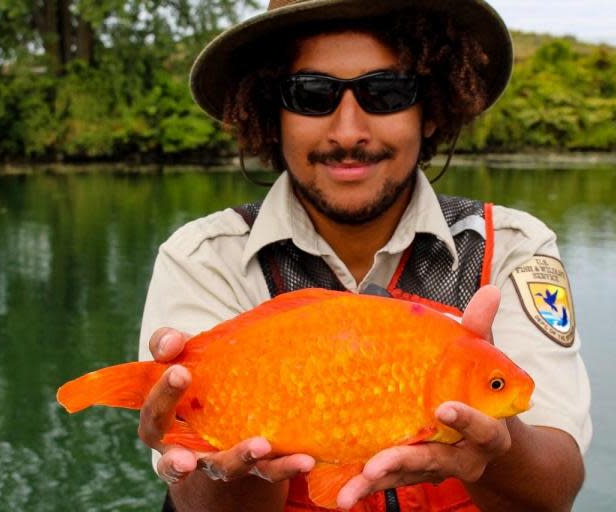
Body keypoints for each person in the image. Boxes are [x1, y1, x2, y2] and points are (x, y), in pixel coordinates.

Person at [136, 0, 592, 510]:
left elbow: (555, 491)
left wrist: (497, 446)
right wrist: (232, 466)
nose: (348, 131)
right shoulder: (202, 259)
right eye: (311, 95)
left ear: (432, 108)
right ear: (271, 112)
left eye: (387, 92)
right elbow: (197, 498)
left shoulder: (513, 246)